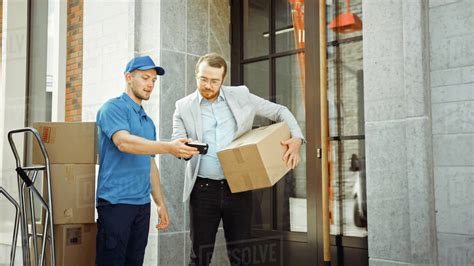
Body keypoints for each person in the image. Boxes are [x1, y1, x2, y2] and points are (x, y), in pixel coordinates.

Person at [172, 53, 305, 265]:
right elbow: (176, 141)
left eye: (214, 81)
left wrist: (297, 138)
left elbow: (280, 111)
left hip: (239, 188)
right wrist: (183, 149)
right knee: (199, 257)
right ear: (196, 75)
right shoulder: (183, 107)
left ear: (222, 80)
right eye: (203, 79)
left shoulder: (241, 96)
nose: (208, 85)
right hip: (203, 190)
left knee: (242, 256)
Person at [95, 55, 198, 265]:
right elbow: (124, 143)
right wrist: (169, 147)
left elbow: (150, 164)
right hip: (116, 204)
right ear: (128, 77)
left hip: (141, 206)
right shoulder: (112, 109)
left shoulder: (148, 122)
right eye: (145, 78)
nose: (150, 84)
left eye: (153, 80)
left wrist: (160, 204)